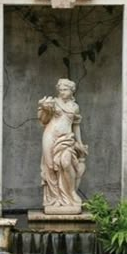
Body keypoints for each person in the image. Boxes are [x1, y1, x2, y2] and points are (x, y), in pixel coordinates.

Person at [38, 79, 88, 213]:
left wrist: (80, 143)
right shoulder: (52, 103)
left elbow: (76, 125)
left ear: (72, 91)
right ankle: (54, 199)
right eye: (60, 90)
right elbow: (43, 120)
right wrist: (45, 109)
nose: (62, 92)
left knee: (66, 162)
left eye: (65, 90)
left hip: (66, 138)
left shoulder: (74, 106)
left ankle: (71, 192)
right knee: (50, 166)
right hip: (50, 136)